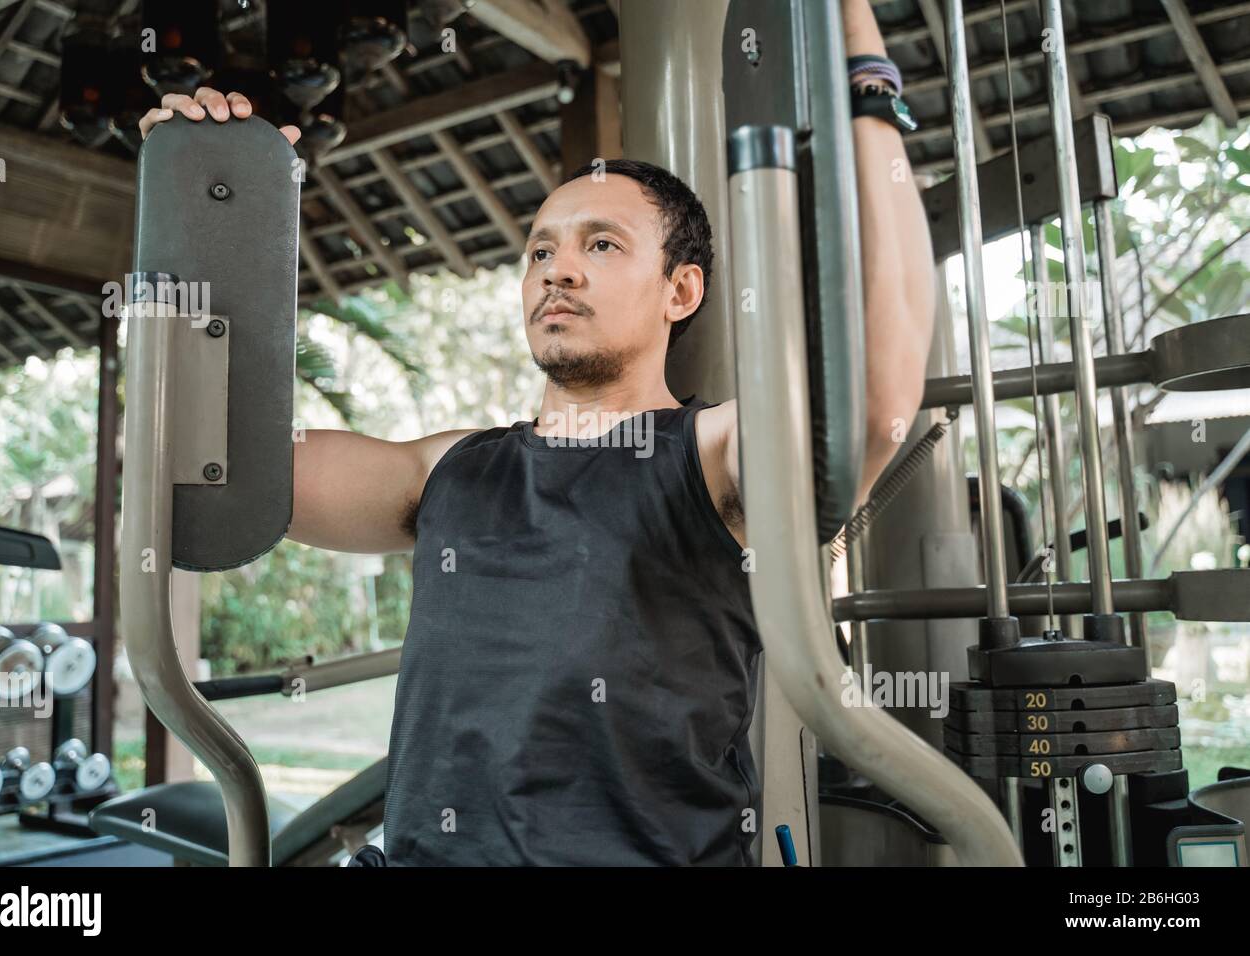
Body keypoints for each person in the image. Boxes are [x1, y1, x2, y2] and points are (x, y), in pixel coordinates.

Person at [137, 0, 935, 866]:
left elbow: (868, 401)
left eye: (601, 244)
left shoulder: (711, 462)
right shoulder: (449, 469)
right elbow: (220, 467)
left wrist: (861, 65)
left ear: (681, 291)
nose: (557, 266)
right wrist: (196, 223)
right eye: (540, 250)